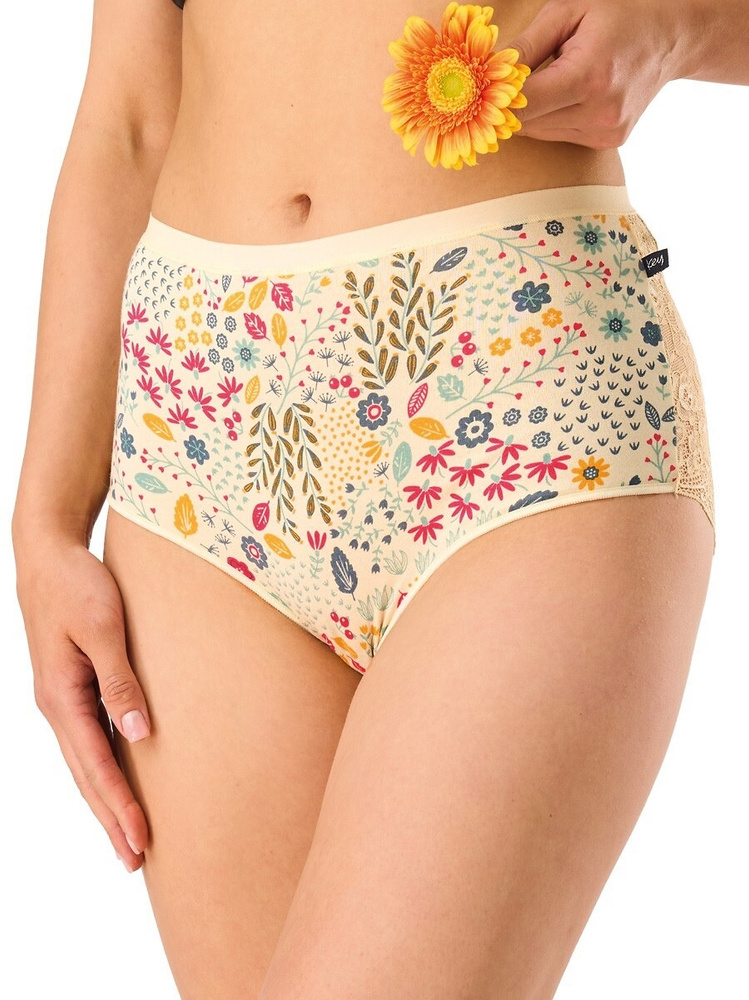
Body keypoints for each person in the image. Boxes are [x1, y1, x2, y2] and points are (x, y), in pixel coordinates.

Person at [11, 1, 744, 997]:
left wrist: (683, 25)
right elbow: (128, 117)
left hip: (513, 382)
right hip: (197, 422)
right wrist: (45, 521)